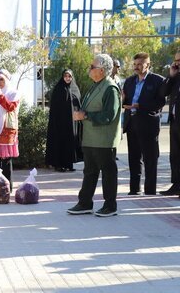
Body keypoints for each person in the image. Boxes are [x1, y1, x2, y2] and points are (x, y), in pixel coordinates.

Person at [68, 54, 122, 217]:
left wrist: (85, 116)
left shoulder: (110, 88)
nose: (89, 69)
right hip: (91, 138)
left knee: (108, 173)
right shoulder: (96, 85)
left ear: (102, 70)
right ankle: (85, 203)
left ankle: (110, 206)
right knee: (89, 172)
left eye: (92, 67)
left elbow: (108, 116)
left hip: (104, 140)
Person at [122, 52, 165, 195]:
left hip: (148, 125)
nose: (136, 67)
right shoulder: (129, 81)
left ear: (148, 65)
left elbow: (160, 102)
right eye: (134, 64)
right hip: (132, 123)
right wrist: (123, 102)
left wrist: (140, 105)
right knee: (134, 158)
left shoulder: (158, 80)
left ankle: (150, 190)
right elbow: (126, 100)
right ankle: (134, 189)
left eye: (140, 64)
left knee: (150, 159)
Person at [45, 69, 82, 172]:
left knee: (70, 142)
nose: (67, 78)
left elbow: (78, 102)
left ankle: (69, 164)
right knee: (60, 142)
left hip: (72, 122)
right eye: (65, 76)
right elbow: (55, 107)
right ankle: (59, 165)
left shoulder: (75, 88)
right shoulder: (59, 88)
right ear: (62, 77)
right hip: (60, 123)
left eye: (69, 76)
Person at [160, 50, 180, 196]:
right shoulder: (176, 77)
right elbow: (163, 92)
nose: (177, 63)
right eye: (176, 60)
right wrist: (171, 76)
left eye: (179, 61)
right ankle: (176, 184)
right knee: (175, 155)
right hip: (174, 121)